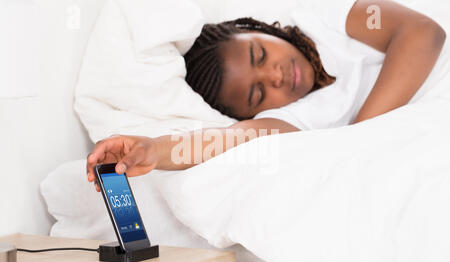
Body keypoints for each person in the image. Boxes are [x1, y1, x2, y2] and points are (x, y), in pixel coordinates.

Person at [86, 0, 446, 191]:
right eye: (258, 94)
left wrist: (360, 135)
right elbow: (222, 140)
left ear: (256, 29)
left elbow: (422, 34)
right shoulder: (290, 121)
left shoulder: (323, 11)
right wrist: (153, 150)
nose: (275, 74)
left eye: (260, 54)